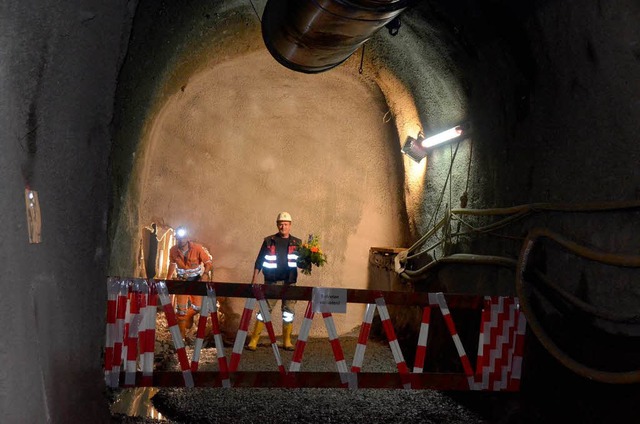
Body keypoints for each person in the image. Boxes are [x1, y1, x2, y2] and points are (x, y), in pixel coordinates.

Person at [246, 212, 302, 351]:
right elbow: (259, 261)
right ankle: (254, 340)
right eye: (281, 224)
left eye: (286, 224)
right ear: (277, 225)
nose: (283, 227)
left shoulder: (297, 242)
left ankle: (287, 341)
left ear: (290, 225)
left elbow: (301, 263)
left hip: (290, 282)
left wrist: (310, 258)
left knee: (289, 311)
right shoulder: (268, 241)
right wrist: (254, 279)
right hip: (272, 281)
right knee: (265, 309)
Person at [166, 225, 213, 339]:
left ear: (188, 238)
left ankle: (188, 317)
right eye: (179, 238)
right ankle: (181, 336)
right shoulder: (173, 250)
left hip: (195, 281)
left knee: (198, 307)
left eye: (183, 238)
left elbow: (208, 262)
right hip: (181, 282)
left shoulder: (197, 248)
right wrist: (168, 280)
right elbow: (172, 265)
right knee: (181, 310)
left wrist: (205, 274)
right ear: (177, 238)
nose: (181, 240)